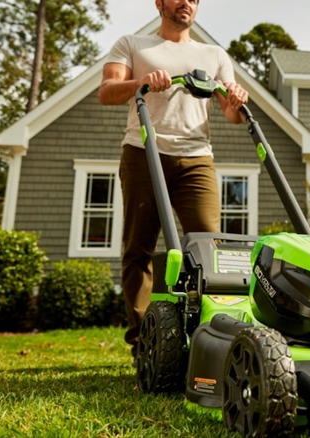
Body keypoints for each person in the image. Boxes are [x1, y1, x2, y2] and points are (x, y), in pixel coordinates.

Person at [98, 0, 249, 363]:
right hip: (143, 152)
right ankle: (144, 344)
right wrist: (143, 82)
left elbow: (230, 113)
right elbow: (107, 92)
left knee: (209, 249)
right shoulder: (132, 44)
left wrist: (238, 100)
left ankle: (211, 337)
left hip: (197, 158)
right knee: (139, 248)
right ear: (159, 3)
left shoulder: (213, 54)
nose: (187, 3)